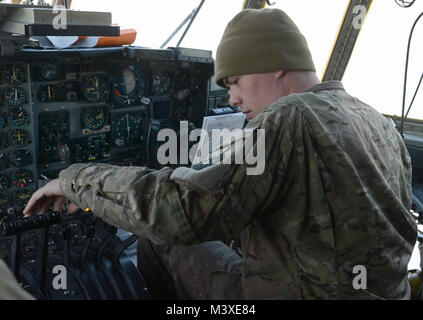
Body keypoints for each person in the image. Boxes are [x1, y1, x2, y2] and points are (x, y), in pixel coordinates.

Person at [23, 8, 417, 299]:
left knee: (161, 239)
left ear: (276, 65)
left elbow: (181, 212)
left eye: (235, 81)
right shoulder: (374, 119)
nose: (232, 98)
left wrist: (73, 180)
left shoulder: (290, 116)